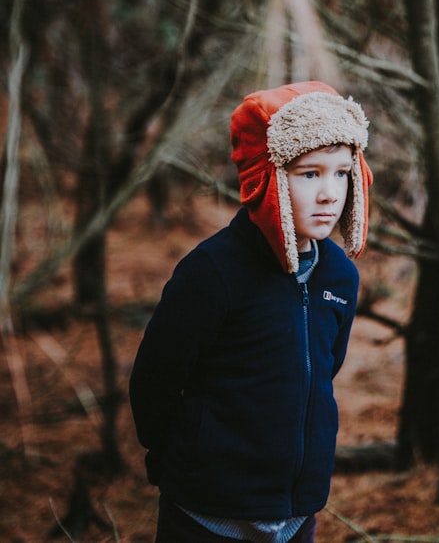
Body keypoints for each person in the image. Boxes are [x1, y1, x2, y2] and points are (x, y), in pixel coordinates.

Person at [129, 80, 373, 543]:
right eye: (309, 174)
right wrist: (181, 464)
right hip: (206, 515)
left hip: (295, 515)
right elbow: (155, 380)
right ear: (268, 178)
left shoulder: (339, 277)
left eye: (342, 173)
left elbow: (322, 371)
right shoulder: (214, 272)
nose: (329, 193)